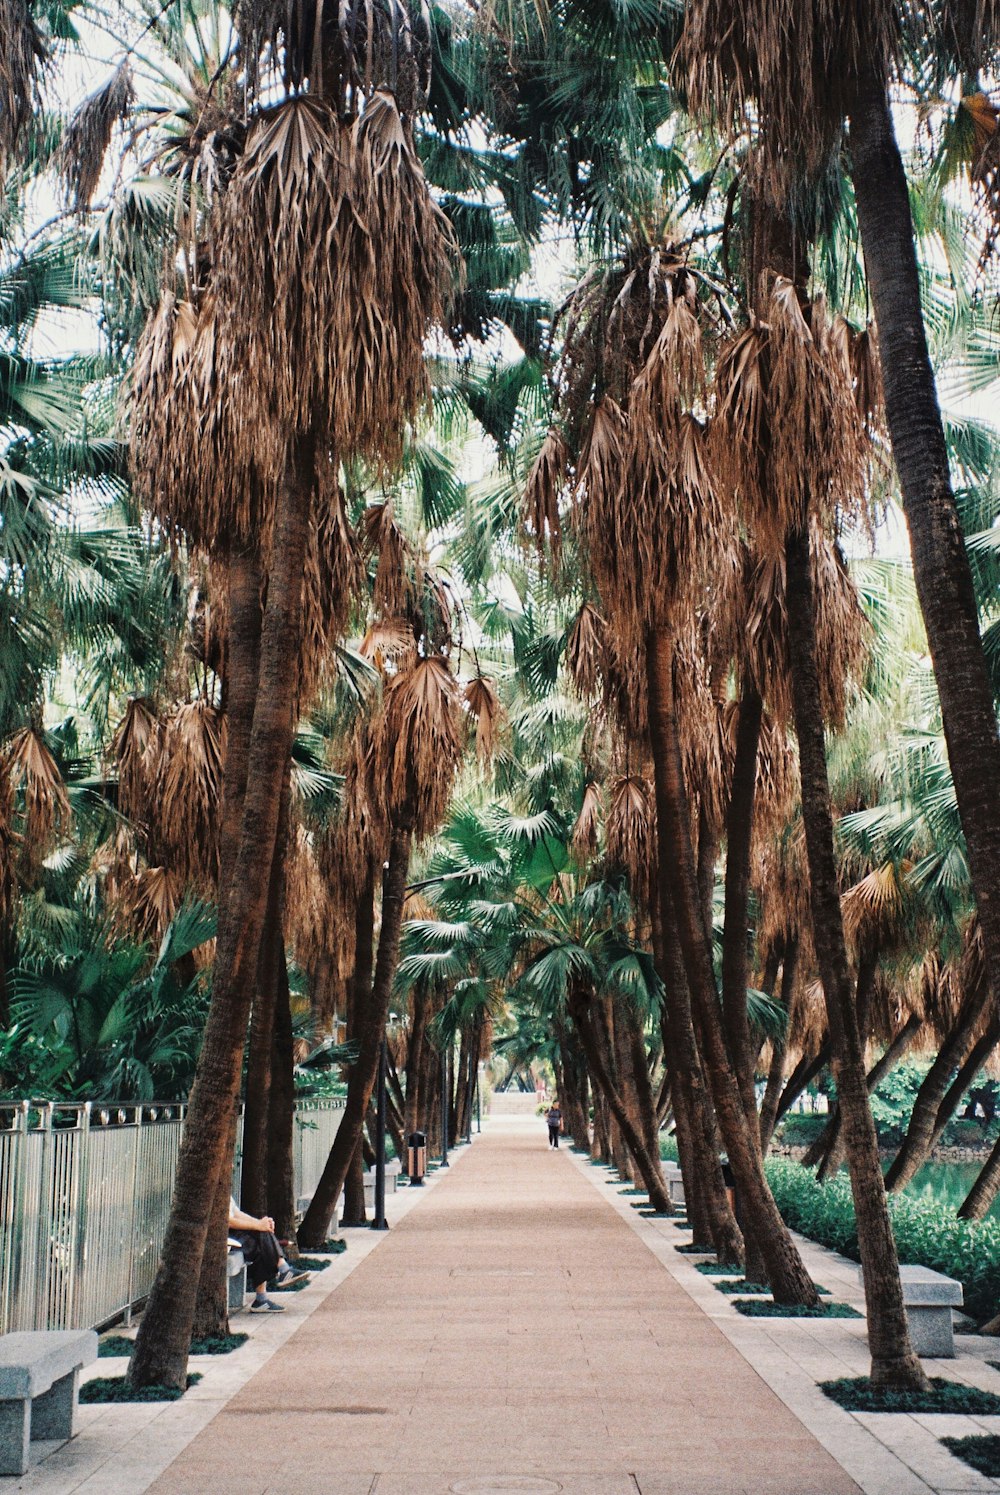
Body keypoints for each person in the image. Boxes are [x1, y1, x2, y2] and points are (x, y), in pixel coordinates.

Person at [228, 1198, 311, 1313]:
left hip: (232, 1235)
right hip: (220, 1238)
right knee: (261, 1241)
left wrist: (261, 1223)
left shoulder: (224, 1188)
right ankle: (282, 1271)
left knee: (263, 1238)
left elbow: (237, 1214)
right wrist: (259, 1226)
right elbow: (228, 1221)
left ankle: (263, 1297)